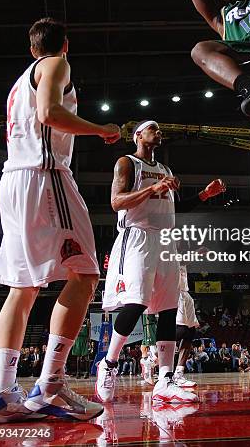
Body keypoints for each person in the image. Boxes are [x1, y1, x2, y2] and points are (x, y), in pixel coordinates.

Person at [0, 17, 121, 423]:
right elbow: (48, 113)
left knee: (22, 288)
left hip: (12, 181)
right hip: (44, 178)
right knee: (84, 273)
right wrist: (100, 129)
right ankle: (50, 384)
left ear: (32, 48)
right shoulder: (56, 64)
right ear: (65, 45)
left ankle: (3, 392)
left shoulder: (17, 83)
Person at [95, 120, 224, 404]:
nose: (159, 133)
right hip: (138, 236)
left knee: (168, 308)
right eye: (154, 129)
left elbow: (178, 208)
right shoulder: (127, 163)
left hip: (167, 240)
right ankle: (109, 363)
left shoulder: (165, 170)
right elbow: (117, 202)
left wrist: (205, 194)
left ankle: (165, 380)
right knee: (137, 302)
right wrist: (151, 190)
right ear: (138, 135)